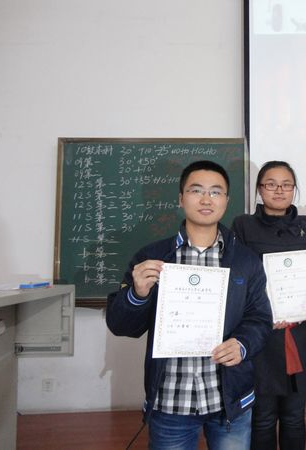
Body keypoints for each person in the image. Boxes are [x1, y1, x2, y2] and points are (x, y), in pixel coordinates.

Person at [106, 160, 273, 450]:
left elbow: (260, 318)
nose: (206, 199)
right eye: (196, 190)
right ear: (181, 199)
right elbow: (121, 326)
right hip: (171, 401)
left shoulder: (246, 260)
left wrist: (242, 344)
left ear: (226, 201)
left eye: (216, 192)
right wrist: (137, 293)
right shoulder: (152, 257)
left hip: (229, 402)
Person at [232, 161, 306, 450]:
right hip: (262, 336)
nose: (279, 190)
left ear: (294, 189)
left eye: (286, 184)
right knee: (263, 418)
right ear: (259, 189)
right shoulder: (243, 225)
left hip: (301, 335)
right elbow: (237, 279)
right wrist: (261, 313)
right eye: (271, 184)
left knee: (294, 417)